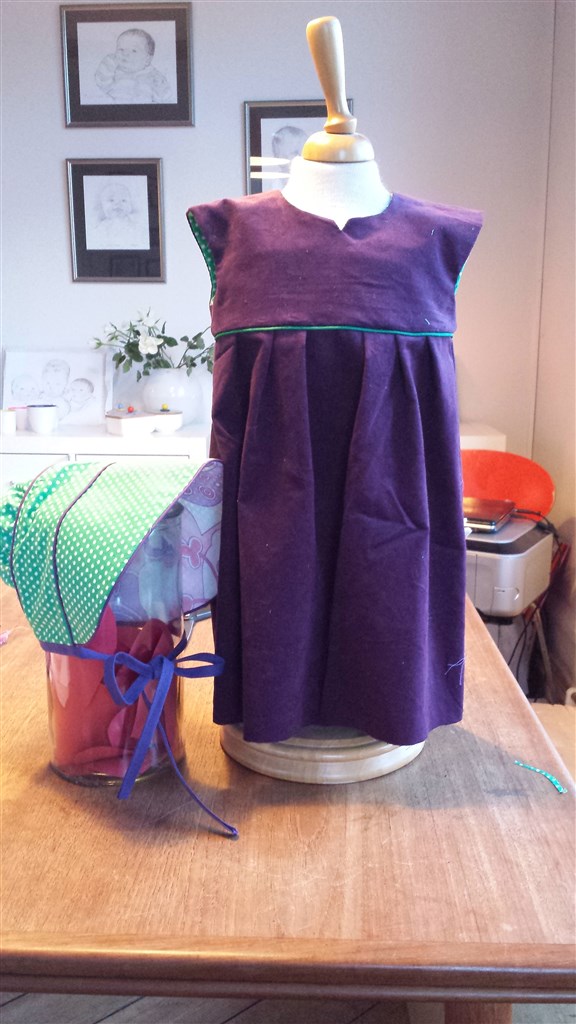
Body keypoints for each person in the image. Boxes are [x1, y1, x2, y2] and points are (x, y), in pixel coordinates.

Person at [95, 28, 171, 104]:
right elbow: (102, 84)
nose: (125, 53)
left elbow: (165, 97)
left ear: (147, 59)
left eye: (134, 51)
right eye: (121, 49)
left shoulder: (154, 76)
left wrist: (159, 87)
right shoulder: (113, 71)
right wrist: (109, 62)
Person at [88, 182, 149, 251]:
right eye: (111, 200)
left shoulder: (135, 227)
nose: (117, 204)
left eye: (123, 200)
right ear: (103, 205)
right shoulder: (101, 228)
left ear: (130, 205)